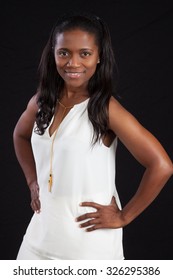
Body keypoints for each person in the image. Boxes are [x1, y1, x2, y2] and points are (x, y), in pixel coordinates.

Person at [13, 12, 173, 260]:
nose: (72, 63)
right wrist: (32, 182)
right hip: (38, 240)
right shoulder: (41, 102)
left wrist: (123, 216)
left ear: (99, 57)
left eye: (84, 53)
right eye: (64, 52)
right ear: (53, 53)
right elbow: (20, 136)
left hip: (88, 247)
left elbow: (161, 165)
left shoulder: (105, 109)